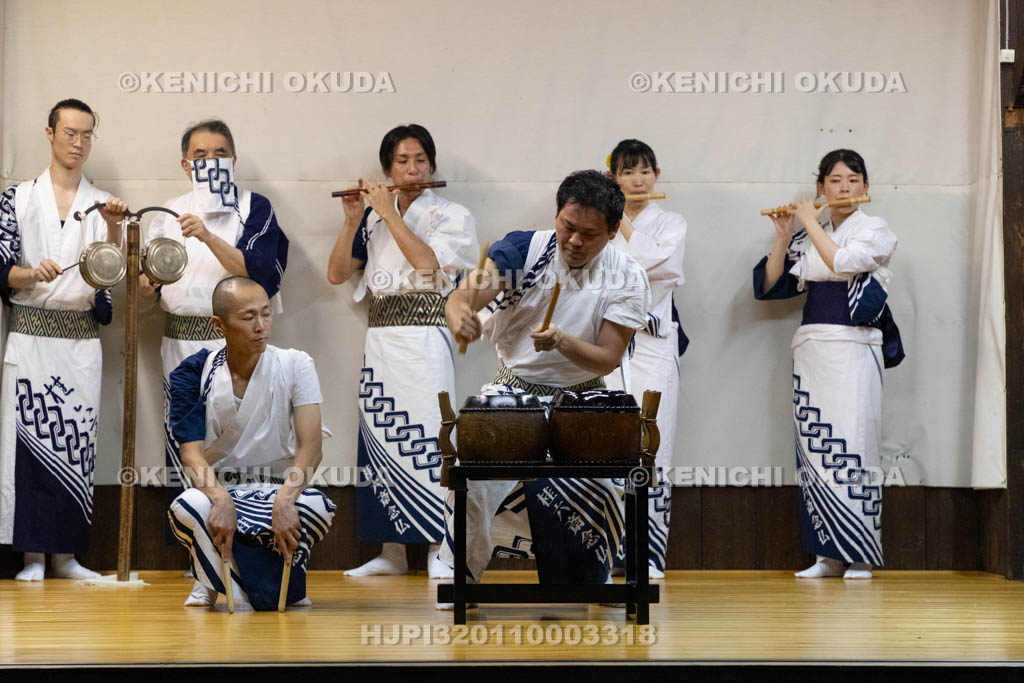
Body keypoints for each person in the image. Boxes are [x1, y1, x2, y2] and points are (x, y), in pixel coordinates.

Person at [440, 169, 650, 597]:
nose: (573, 241)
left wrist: (563, 342)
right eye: (567, 227)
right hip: (515, 390)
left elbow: (609, 356)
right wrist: (460, 312)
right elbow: (467, 295)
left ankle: (591, 582)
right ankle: (461, 577)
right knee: (475, 475)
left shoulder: (627, 275)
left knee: (603, 484)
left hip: (586, 395)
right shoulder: (524, 249)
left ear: (612, 232)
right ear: (557, 215)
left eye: (588, 234)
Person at [327, 124, 478, 579]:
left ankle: (439, 548)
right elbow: (337, 275)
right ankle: (390, 552)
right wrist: (354, 218)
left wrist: (388, 212)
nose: (412, 170)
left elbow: (428, 266)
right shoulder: (372, 217)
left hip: (428, 335)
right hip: (381, 338)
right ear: (386, 168)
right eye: (401, 162)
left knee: (431, 436)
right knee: (380, 435)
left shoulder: (453, 215)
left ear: (432, 165)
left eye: (419, 160)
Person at [753, 149, 903, 580]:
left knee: (856, 441)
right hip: (813, 348)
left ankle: (859, 554)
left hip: (855, 345)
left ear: (866, 187)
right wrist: (784, 236)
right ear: (821, 187)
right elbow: (770, 287)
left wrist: (811, 224)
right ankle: (825, 555)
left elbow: (844, 262)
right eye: (835, 181)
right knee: (816, 446)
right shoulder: (806, 234)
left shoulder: (875, 229)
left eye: (853, 180)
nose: (844, 188)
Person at [143, 119, 288, 560]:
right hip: (179, 342)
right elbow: (150, 285)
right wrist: (146, 286)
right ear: (185, 164)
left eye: (220, 153)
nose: (211, 163)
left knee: (242, 439)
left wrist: (205, 235)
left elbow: (260, 273)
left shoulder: (254, 207)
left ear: (234, 159)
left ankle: (248, 547)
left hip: (238, 343)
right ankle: (194, 553)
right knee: (187, 440)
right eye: (201, 156)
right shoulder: (166, 213)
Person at [0, 98, 128, 581]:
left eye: (87, 134)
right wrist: (30, 273)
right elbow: (0, 266)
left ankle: (68, 555)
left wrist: (115, 226)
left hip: (79, 341)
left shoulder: (102, 203)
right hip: (31, 335)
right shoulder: (17, 198)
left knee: (75, 441)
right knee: (27, 441)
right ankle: (32, 555)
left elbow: (109, 274)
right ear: (49, 134)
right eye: (70, 132)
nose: (78, 142)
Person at [167, 276, 334, 609]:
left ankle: (221, 578)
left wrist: (287, 498)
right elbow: (191, 454)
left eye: (266, 314)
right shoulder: (193, 373)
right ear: (219, 325)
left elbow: (311, 446)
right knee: (186, 506)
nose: (261, 326)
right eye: (248, 317)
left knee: (318, 506)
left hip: (276, 490)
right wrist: (220, 499)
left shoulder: (295, 364)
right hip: (217, 492)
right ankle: (220, 579)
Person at [604, 139, 687, 579]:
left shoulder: (671, 222)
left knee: (654, 442)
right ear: (614, 178)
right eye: (627, 172)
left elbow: (658, 263)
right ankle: (608, 549)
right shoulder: (600, 221)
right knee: (608, 442)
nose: (638, 180)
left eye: (645, 171)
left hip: (653, 344)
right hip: (606, 346)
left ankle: (649, 554)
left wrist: (619, 221)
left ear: (656, 175)